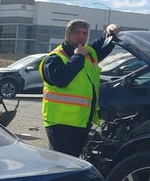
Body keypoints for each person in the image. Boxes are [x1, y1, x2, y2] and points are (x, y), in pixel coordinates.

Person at [40, 19, 120, 157]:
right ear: (68, 34)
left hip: (81, 121)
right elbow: (61, 80)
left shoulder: (88, 52)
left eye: (84, 33)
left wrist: (110, 32)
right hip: (60, 123)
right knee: (61, 161)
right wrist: (78, 57)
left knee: (74, 160)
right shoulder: (55, 58)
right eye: (77, 33)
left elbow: (103, 45)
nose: (81, 36)